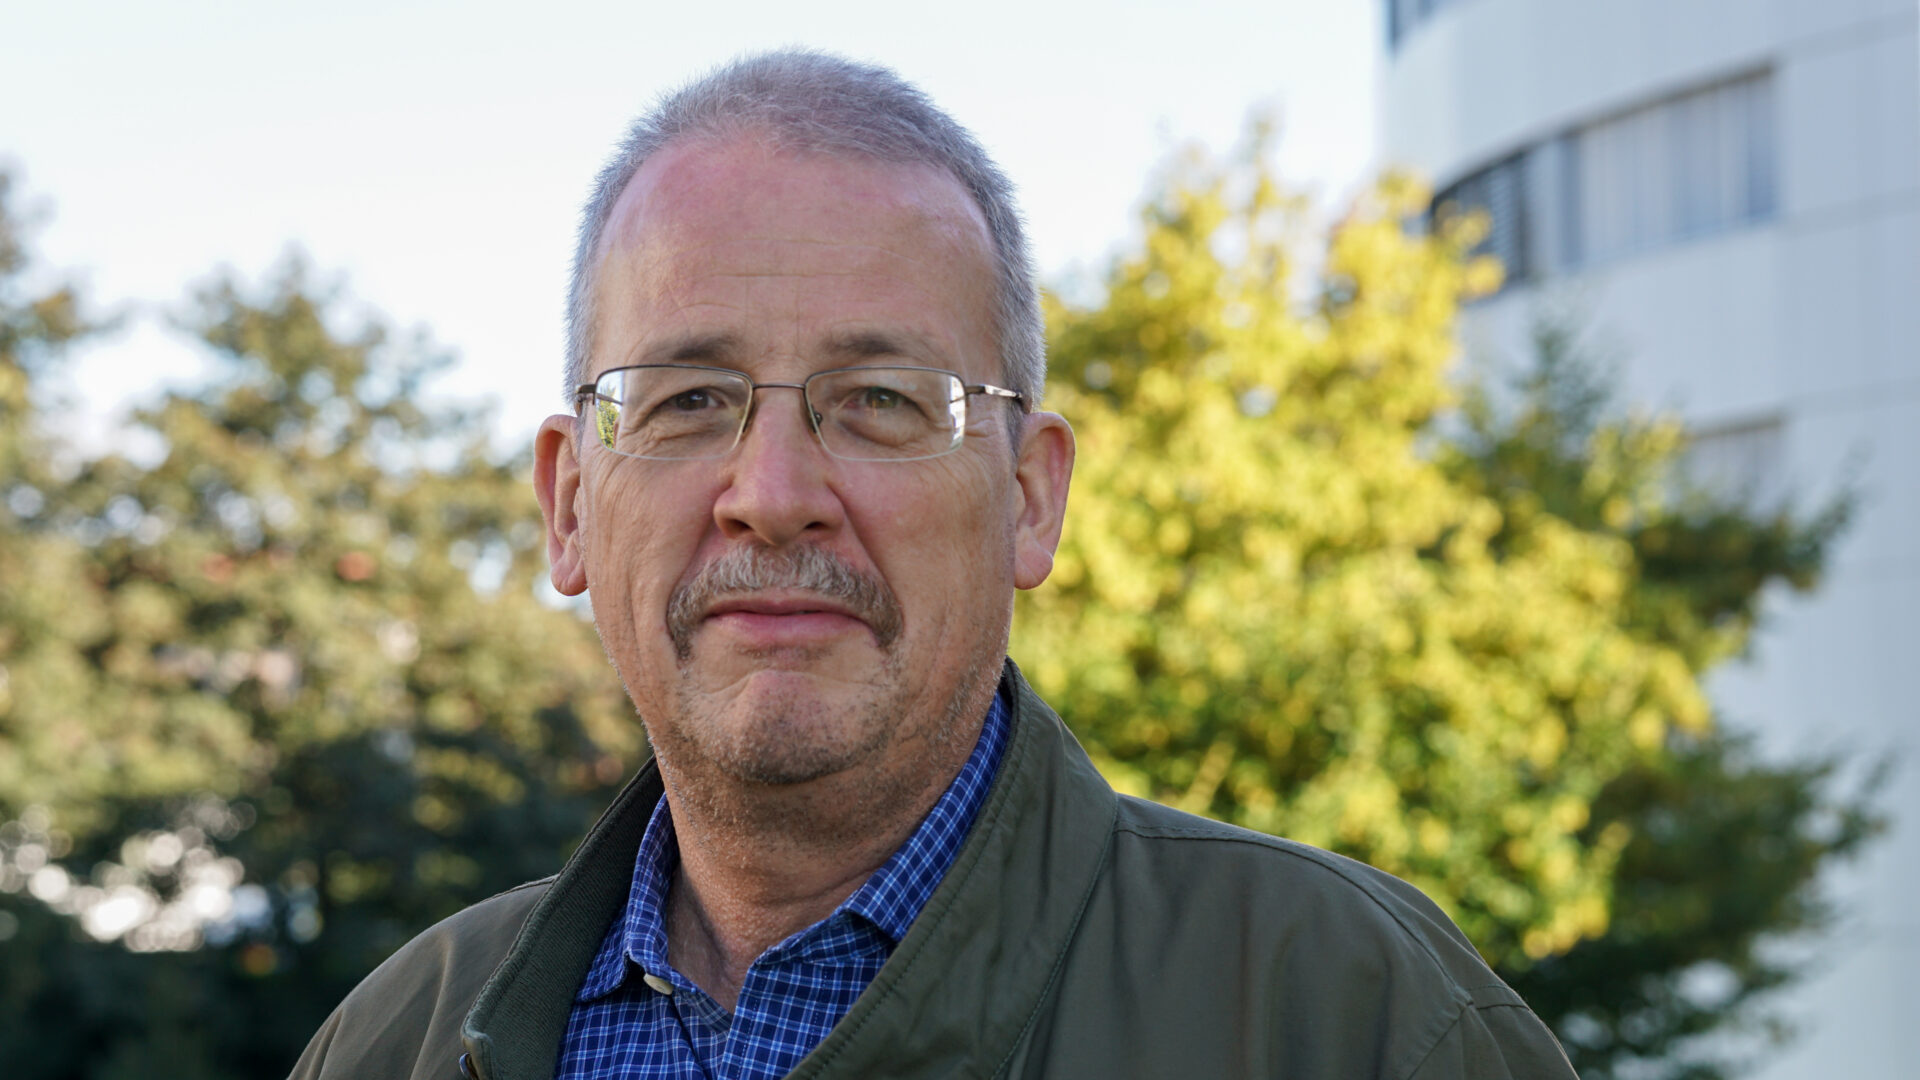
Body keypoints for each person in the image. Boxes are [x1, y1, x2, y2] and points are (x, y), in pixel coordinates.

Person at [288, 49, 1576, 1080]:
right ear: (570, 504)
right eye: (686, 401)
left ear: (1027, 498)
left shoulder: (1353, 1023)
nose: (774, 498)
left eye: (881, 402)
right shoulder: (392, 1043)